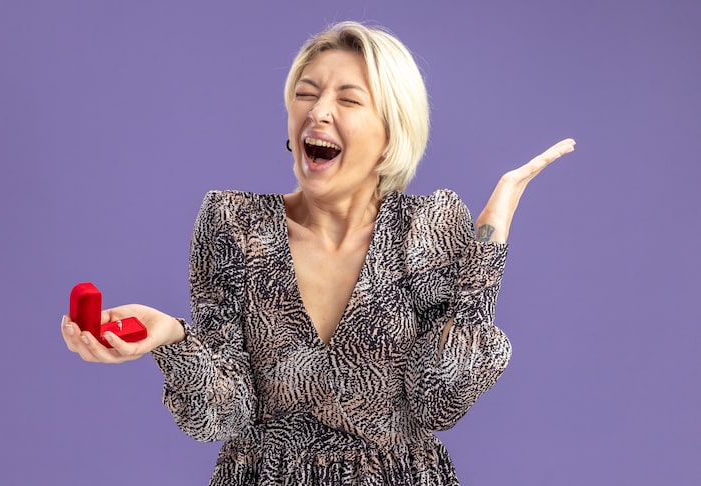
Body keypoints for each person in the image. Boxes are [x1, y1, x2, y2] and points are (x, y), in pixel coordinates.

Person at [61, 21, 575, 485]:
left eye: (348, 100)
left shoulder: (426, 228)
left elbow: (438, 400)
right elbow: (222, 416)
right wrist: (172, 338)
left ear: (391, 131)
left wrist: (488, 244)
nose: (317, 111)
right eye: (305, 94)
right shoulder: (235, 225)